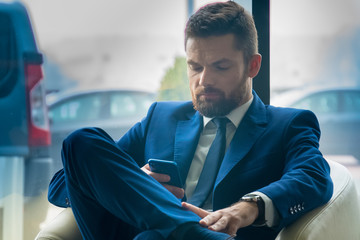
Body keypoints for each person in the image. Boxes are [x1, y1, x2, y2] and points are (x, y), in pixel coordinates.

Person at [47, 1, 333, 240]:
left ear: (253, 65)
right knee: (81, 142)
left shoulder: (288, 125)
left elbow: (313, 176)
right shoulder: (160, 117)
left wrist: (248, 207)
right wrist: (138, 183)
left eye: (220, 67)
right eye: (195, 67)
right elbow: (61, 185)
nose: (204, 80)